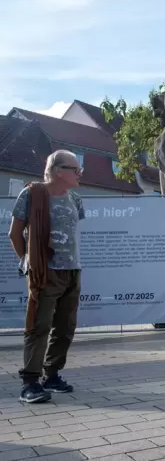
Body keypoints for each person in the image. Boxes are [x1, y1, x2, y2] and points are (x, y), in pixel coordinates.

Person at [7, 150, 85, 403]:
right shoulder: (31, 194)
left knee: (65, 327)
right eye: (76, 169)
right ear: (58, 170)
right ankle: (30, 382)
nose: (80, 174)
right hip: (44, 272)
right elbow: (15, 233)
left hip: (72, 270)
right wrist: (27, 261)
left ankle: (52, 375)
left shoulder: (75, 198)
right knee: (39, 327)